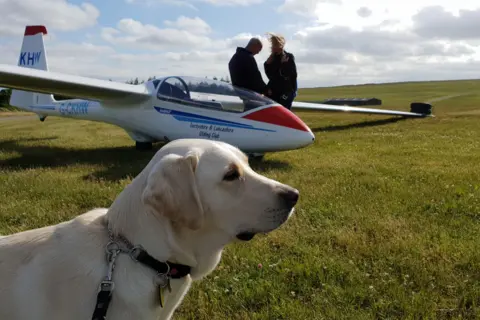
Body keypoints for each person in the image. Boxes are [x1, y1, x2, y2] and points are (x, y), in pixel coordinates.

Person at [263, 33, 297, 109]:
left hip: (285, 91)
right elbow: (270, 75)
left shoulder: (288, 56)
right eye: (273, 44)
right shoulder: (271, 59)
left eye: (275, 44)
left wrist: (283, 64)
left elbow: (291, 74)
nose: (273, 47)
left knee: (284, 112)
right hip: (273, 91)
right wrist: (266, 64)